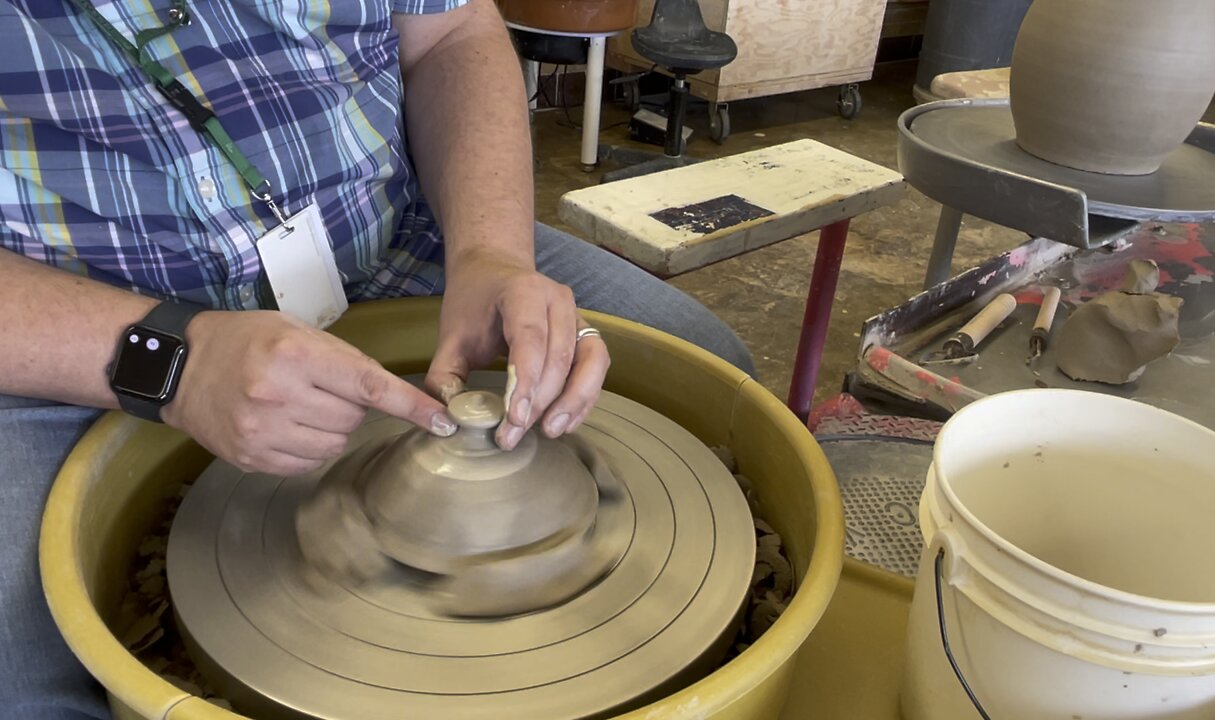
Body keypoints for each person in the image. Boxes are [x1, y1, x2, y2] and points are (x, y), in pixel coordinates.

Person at [0, 1, 752, 717]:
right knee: (25, 693)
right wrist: (172, 363)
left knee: (717, 370)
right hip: (93, 328)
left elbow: (451, 33)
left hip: (390, 242)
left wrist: (490, 251)